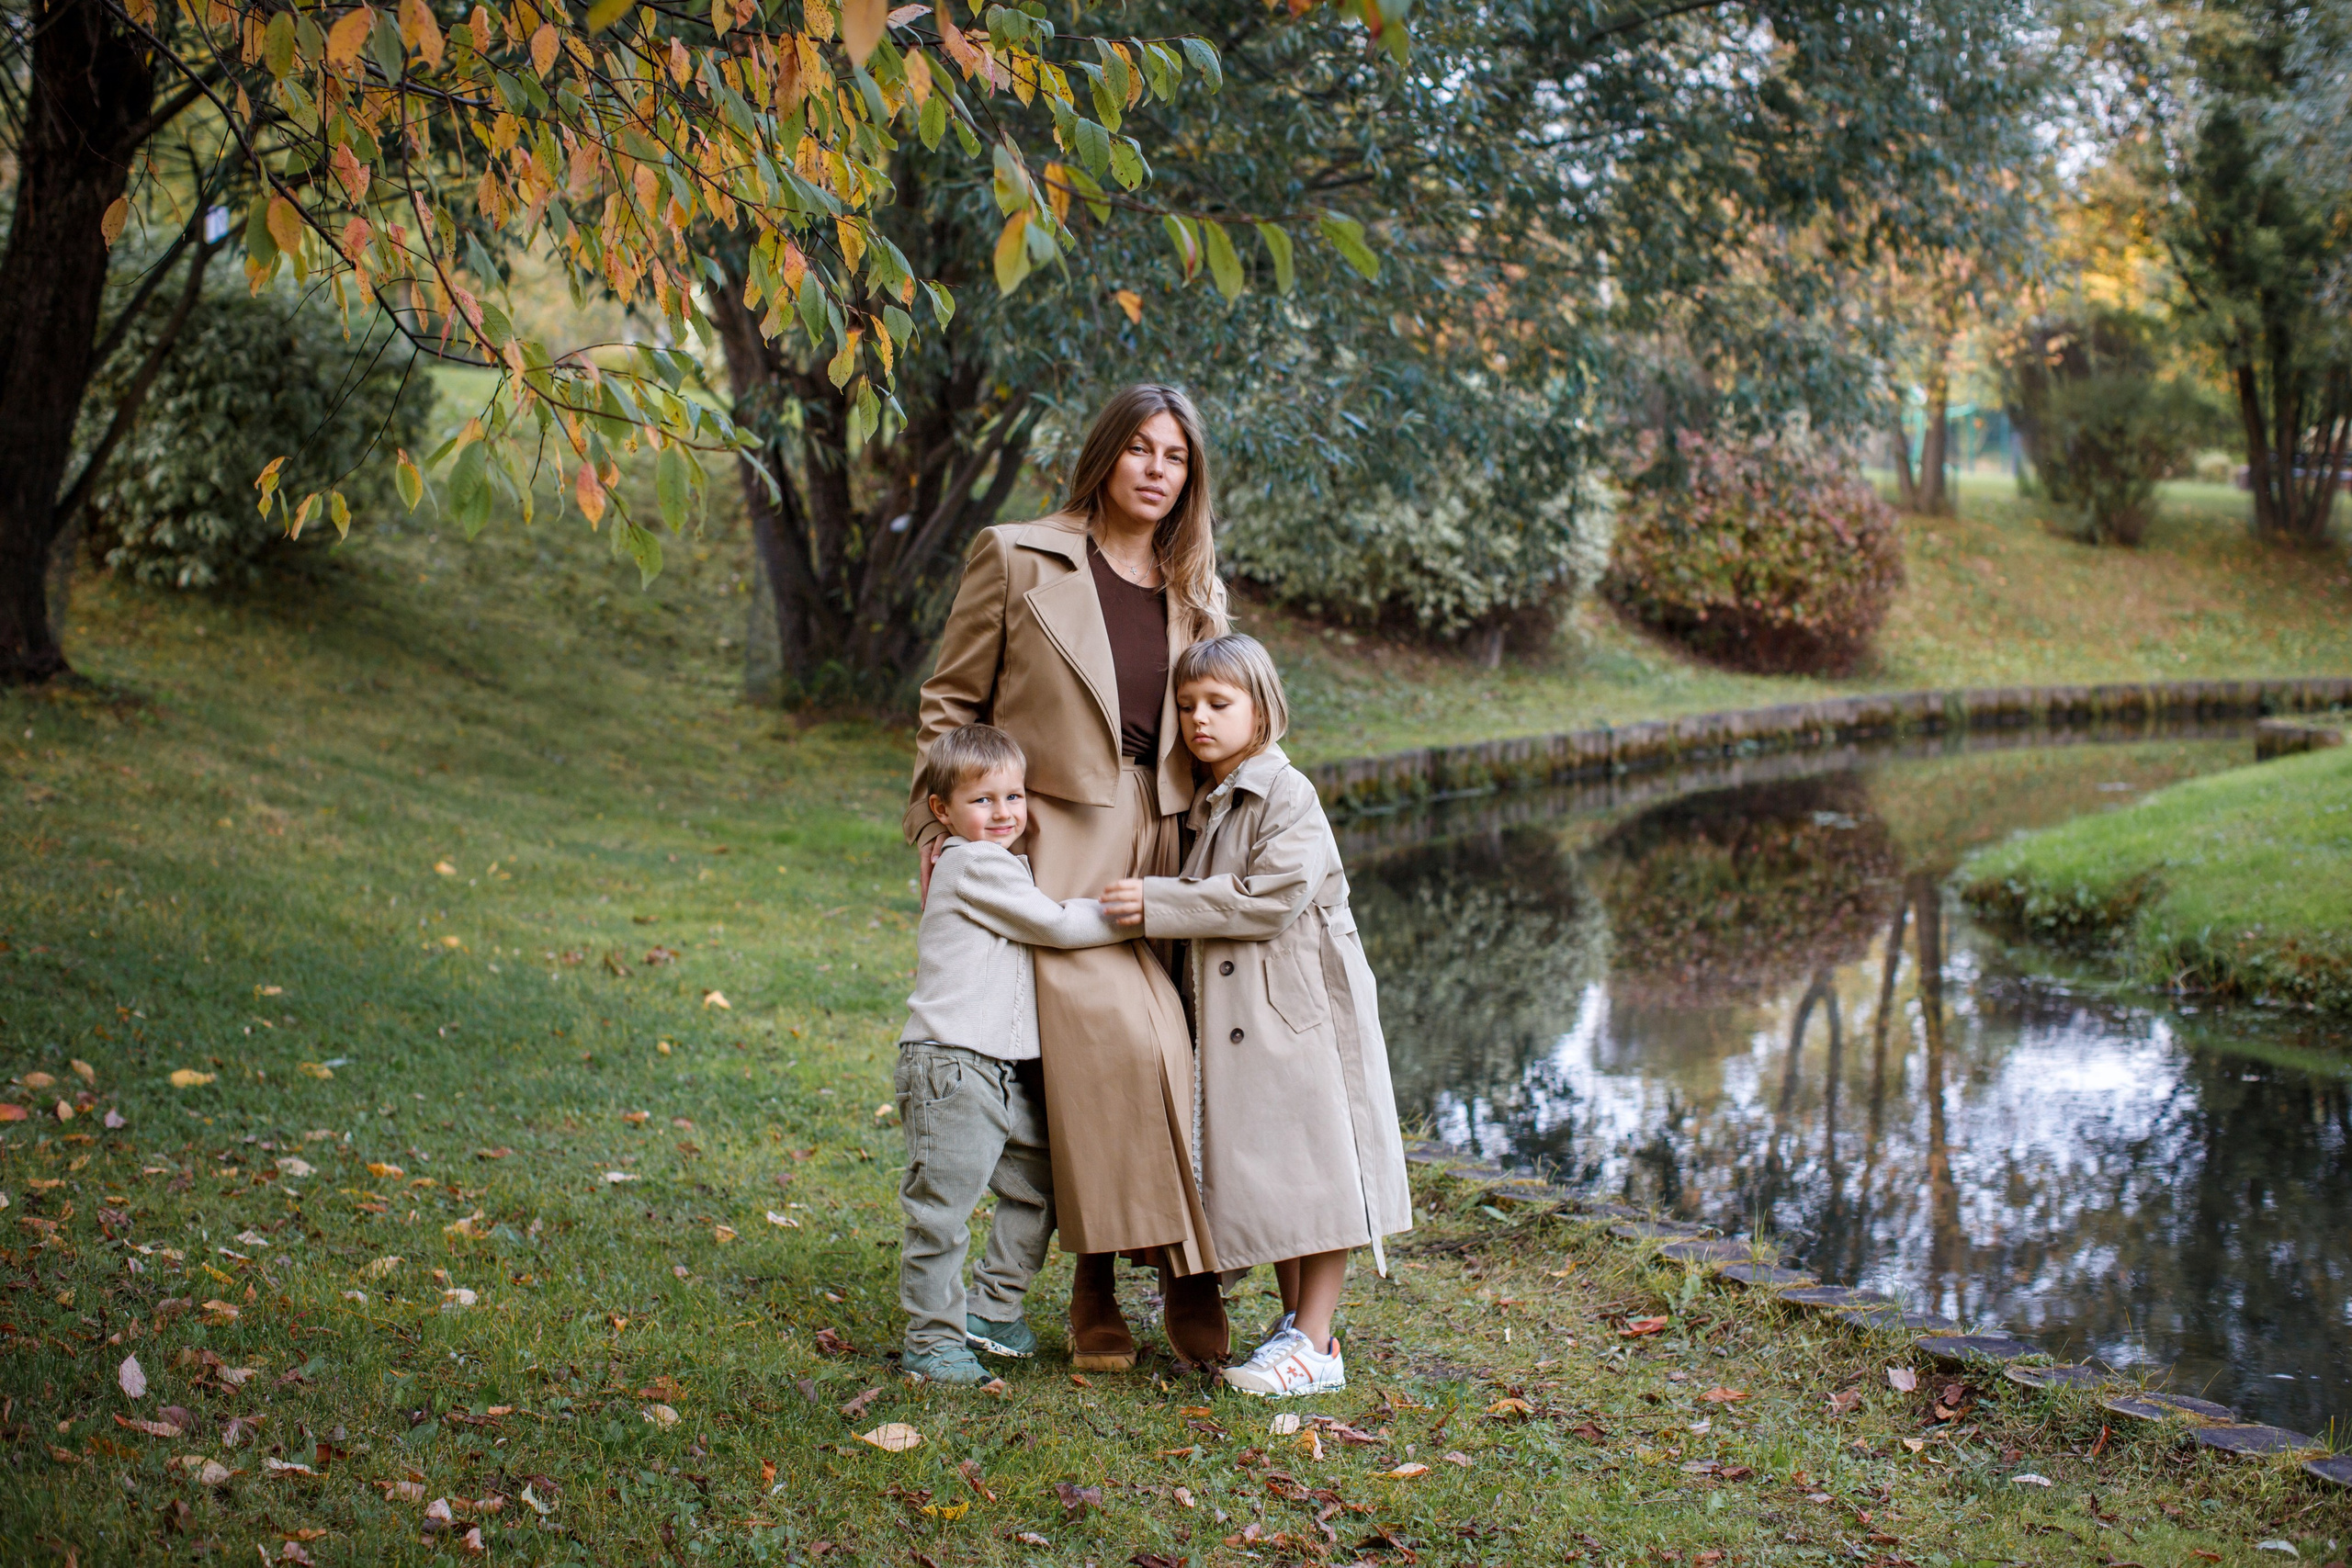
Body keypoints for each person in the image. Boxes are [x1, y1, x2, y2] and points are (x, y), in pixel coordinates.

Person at [904, 385, 1232, 1370]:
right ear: (1106, 454)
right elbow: (950, 701)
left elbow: (1225, 714)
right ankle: (1107, 1274)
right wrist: (935, 832)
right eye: (1139, 448)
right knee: (1105, 1044)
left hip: (1168, 834)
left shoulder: (1196, 588)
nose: (1156, 469)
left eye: (1175, 456)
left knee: (1182, 1039)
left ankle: (1174, 1264)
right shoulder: (1016, 554)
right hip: (1054, 838)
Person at [1101, 634, 1413, 1397]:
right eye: (1186, 706)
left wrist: (1156, 903)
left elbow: (1270, 897)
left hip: (1300, 1012)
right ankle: (1295, 1327)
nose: (1199, 719)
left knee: (1321, 1174)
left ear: (1262, 709)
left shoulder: (1286, 792)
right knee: (1283, 1177)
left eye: (1218, 703)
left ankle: (1317, 1341)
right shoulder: (1216, 796)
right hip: (1259, 1019)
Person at [893, 724, 1130, 1385]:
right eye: (982, 800)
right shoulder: (973, 863)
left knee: (1044, 1175)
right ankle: (931, 1341)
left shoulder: (996, 861)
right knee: (941, 1209)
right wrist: (1134, 912)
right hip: (951, 1064)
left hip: (996, 1068)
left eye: (1014, 796)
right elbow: (1055, 924)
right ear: (942, 811)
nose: (1002, 813)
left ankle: (993, 1307)